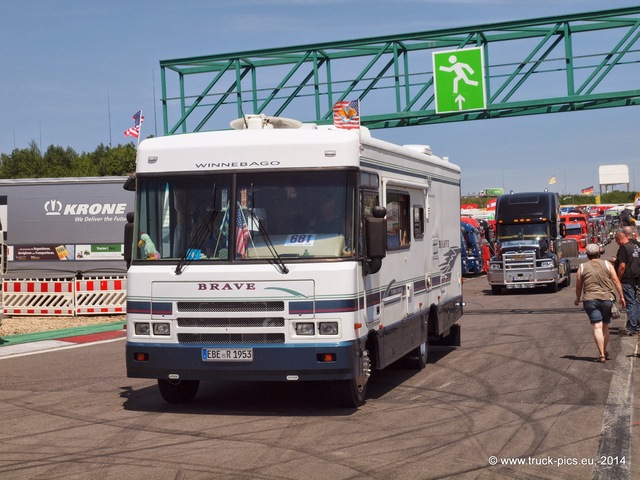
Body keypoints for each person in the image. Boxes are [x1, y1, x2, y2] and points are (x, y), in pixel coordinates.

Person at [574, 243, 625, 363]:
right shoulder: (607, 264)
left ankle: (601, 354)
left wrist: (577, 298)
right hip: (606, 298)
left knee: (597, 326)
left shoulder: (581, 267)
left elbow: (578, 286)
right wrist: (621, 296)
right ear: (598, 253)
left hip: (590, 300)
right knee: (605, 326)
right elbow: (616, 281)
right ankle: (604, 350)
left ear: (587, 254)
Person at [614, 230, 640, 335]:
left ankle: (632, 327)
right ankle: (637, 325)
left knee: (630, 303)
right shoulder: (635, 247)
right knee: (635, 302)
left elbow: (622, 266)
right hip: (636, 278)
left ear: (619, 239)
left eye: (617, 241)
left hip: (627, 279)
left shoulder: (624, 248)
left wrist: (618, 279)